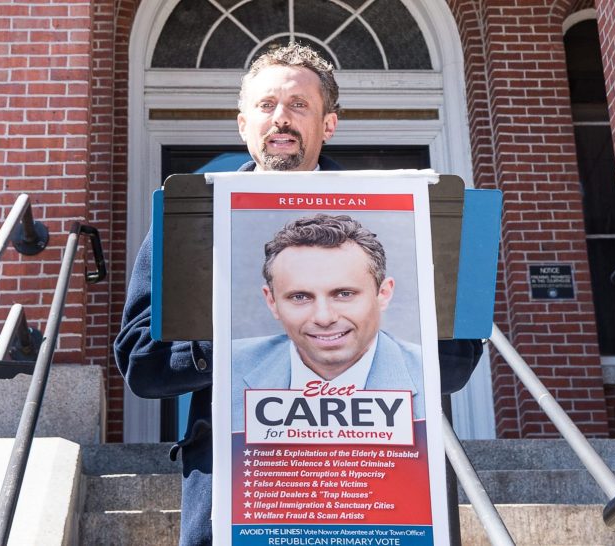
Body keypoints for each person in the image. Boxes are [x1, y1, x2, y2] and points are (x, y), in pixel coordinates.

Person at [114, 43, 481, 546]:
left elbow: (457, 365)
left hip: (374, 494)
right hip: (241, 492)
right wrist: (230, 336)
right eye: (266, 106)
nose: (280, 120)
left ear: (329, 123)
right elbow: (141, 365)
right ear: (243, 123)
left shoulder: (397, 217)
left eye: (298, 106)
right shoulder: (187, 222)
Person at [232, 214, 425, 432]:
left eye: (344, 294)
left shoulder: (428, 374)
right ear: (272, 301)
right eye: (300, 297)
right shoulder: (227, 371)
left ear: (383, 294)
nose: (324, 318)